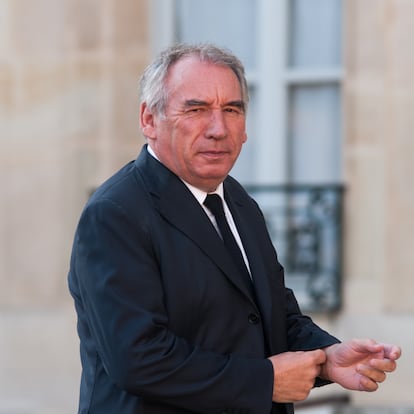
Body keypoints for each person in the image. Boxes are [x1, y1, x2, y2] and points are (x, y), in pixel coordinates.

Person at [68, 43, 401, 414]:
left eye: (232, 110)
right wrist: (265, 381)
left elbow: (274, 317)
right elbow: (139, 359)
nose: (218, 128)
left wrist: (327, 357)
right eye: (196, 110)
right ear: (149, 120)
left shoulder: (238, 201)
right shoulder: (115, 213)